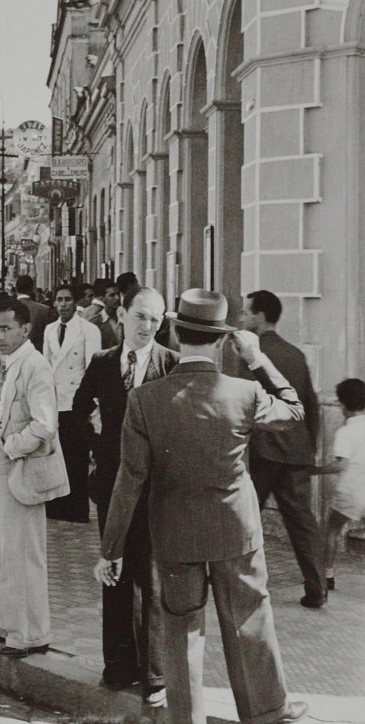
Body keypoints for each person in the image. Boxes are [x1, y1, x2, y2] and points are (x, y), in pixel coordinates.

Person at [96, 288, 309, 724]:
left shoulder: (144, 401)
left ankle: (186, 718)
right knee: (248, 622)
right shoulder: (245, 393)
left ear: (175, 332)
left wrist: (110, 549)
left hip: (174, 534)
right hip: (236, 530)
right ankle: (267, 713)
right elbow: (295, 410)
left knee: (182, 632)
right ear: (220, 340)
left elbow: (129, 479)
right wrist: (256, 358)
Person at [71, 286, 177, 703]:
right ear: (122, 318)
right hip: (111, 488)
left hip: (154, 492)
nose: (147, 326)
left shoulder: (171, 365)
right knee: (114, 575)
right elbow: (78, 409)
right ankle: (117, 668)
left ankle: (155, 677)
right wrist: (95, 439)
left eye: (155, 319)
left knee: (150, 580)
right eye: (140, 317)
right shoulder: (102, 363)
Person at [0, 299, 66, 657]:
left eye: (5, 329)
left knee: (24, 552)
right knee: (1, 547)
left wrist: (10, 447)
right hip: (6, 469)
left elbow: (45, 424)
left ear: (25, 330)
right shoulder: (9, 364)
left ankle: (30, 633)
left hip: (24, 470)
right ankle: (3, 622)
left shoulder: (35, 366)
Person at [235, 289, 327, 607]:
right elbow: (311, 405)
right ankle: (318, 588)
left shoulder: (251, 355)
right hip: (296, 453)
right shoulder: (296, 354)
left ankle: (236, 586)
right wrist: (309, 449)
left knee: (244, 520)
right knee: (302, 524)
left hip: (262, 453)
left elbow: (242, 404)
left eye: (246, 313)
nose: (242, 318)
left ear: (260, 317)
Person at [41, 283, 101, 523]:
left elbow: (92, 368)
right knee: (55, 455)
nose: (63, 304)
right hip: (54, 401)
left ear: (75, 303)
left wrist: (88, 404)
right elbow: (45, 366)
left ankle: (77, 509)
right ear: (54, 303)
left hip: (76, 402)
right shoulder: (49, 330)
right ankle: (56, 506)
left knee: (76, 457)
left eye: (67, 299)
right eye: (59, 300)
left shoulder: (88, 330)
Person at [318, 378, 365, 593]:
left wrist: (313, 470)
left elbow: (340, 465)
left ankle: (327, 575)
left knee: (332, 530)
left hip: (351, 489)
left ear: (344, 404)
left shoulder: (345, 432)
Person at [14, 274, 57, 352]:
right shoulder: (44, 310)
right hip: (38, 355)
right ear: (32, 289)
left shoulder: (9, 308)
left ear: (16, 289)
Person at [81, 279, 122, 348]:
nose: (117, 298)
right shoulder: (94, 323)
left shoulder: (127, 319)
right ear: (103, 298)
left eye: (118, 294)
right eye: (112, 295)